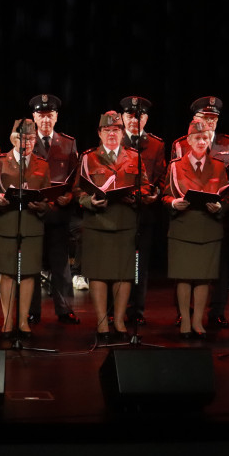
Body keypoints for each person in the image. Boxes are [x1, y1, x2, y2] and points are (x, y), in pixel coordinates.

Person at [74, 111, 148, 343]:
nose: (112, 134)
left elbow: (144, 186)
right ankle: (101, 322)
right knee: (98, 274)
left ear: (122, 133)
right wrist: (89, 201)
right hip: (98, 223)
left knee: (123, 275)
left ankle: (118, 320)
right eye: (107, 131)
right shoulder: (88, 158)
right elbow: (78, 191)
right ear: (99, 133)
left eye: (116, 130)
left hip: (125, 222)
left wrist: (138, 196)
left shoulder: (134, 157)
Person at [163, 120, 229, 339]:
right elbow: (165, 195)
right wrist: (173, 203)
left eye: (205, 138)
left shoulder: (219, 166)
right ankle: (184, 320)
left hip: (209, 229)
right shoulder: (175, 166)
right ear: (189, 141)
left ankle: (198, 321)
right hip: (183, 227)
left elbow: (227, 197)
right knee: (183, 277)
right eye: (197, 138)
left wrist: (220, 206)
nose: (202, 141)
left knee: (203, 278)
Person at [0, 119, 51, 339]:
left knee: (29, 272)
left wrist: (42, 205)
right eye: (24, 138)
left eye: (32, 138)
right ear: (15, 138)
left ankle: (23, 321)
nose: (29, 142)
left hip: (31, 224)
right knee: (7, 273)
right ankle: (7, 321)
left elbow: (48, 195)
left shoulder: (42, 164)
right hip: (7, 222)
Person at [27, 93, 80, 325]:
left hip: (58, 213)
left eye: (49, 115)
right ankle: (32, 310)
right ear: (34, 117)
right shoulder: (26, 141)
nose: (45, 119)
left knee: (60, 265)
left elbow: (76, 177)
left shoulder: (68, 143)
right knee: (32, 265)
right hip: (34, 212)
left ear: (56, 117)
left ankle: (64, 308)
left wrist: (69, 196)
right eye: (41, 115)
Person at [119, 95, 168, 326]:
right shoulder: (114, 140)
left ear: (146, 118)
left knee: (141, 264)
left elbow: (160, 177)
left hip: (145, 212)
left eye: (138, 116)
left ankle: (137, 308)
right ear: (122, 117)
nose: (133, 120)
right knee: (118, 262)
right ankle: (115, 307)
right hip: (119, 210)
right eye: (129, 115)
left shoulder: (156, 145)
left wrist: (155, 194)